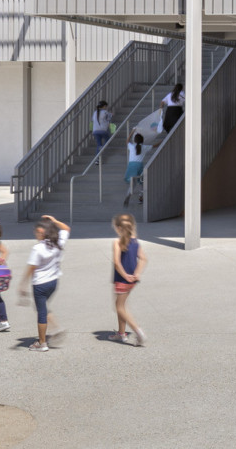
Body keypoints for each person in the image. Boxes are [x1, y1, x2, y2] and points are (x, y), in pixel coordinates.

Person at [19, 214, 70, 351]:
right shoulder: (58, 241)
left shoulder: (38, 248)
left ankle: (42, 343)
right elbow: (66, 228)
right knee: (42, 307)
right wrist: (55, 220)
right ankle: (55, 328)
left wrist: (22, 285)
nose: (35, 234)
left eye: (37, 231)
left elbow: (31, 268)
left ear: (42, 232)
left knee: (41, 312)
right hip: (53, 282)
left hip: (40, 285)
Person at [110, 213, 147, 347]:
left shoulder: (117, 242)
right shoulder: (135, 241)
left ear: (118, 227)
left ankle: (138, 331)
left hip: (122, 280)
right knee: (122, 305)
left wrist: (125, 276)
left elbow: (117, 263)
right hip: (132, 281)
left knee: (119, 308)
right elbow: (143, 259)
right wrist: (136, 273)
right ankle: (121, 333)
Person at [123, 133, 146, 206]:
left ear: (135, 140)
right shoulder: (144, 147)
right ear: (142, 141)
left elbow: (127, 140)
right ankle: (141, 197)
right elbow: (155, 146)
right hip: (139, 166)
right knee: (143, 182)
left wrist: (132, 131)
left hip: (131, 166)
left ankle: (128, 195)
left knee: (133, 183)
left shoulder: (131, 146)